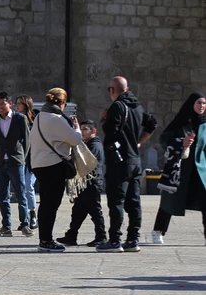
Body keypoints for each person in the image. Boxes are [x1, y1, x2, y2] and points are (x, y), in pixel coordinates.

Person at [97, 76, 158, 253]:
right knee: (134, 201)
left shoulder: (117, 106)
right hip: (135, 161)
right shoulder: (137, 106)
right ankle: (133, 240)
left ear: (113, 90)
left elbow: (110, 132)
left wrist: (103, 119)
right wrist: (138, 142)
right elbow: (152, 124)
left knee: (116, 200)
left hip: (119, 161)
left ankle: (115, 240)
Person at [29, 88, 83, 253]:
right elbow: (75, 139)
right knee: (51, 205)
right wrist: (77, 127)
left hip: (38, 165)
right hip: (53, 165)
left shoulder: (39, 117)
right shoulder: (56, 119)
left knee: (45, 203)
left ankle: (44, 238)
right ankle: (46, 240)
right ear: (61, 103)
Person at [151, 93, 206, 245]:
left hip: (200, 171)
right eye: (198, 103)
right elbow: (164, 140)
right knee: (170, 201)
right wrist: (181, 143)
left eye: (203, 103)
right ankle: (158, 231)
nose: (201, 106)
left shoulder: (205, 125)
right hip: (180, 170)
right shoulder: (181, 123)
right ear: (191, 104)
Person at [0, 92, 33, 238]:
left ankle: (25, 224)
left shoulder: (20, 118)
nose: (0, 107)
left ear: (10, 104)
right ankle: (6, 226)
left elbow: (26, 140)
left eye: (3, 103)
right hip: (0, 162)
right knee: (3, 195)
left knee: (21, 194)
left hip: (16, 162)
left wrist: (21, 158)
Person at [57, 120, 107, 247]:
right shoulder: (88, 144)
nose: (83, 132)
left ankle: (101, 236)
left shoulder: (95, 145)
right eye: (82, 129)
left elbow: (86, 160)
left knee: (95, 211)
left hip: (92, 183)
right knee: (78, 211)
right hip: (85, 183)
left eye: (86, 129)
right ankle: (71, 236)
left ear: (93, 131)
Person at [15, 94, 39, 228]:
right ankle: (25, 218)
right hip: (19, 157)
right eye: (16, 103)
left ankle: (33, 214)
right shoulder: (15, 119)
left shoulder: (34, 119)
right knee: (21, 188)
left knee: (29, 185)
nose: (17, 106)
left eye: (20, 103)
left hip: (32, 158)